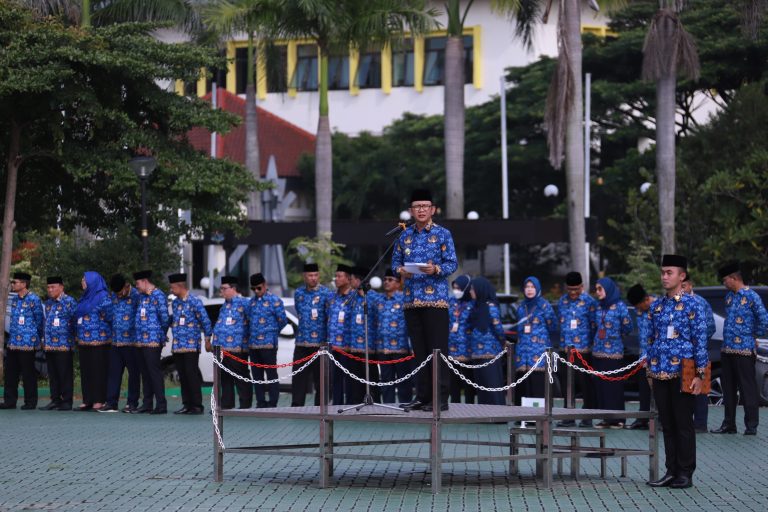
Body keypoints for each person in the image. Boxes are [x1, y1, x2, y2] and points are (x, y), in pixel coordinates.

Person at [392, 189, 458, 413]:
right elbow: (395, 263)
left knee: (437, 350)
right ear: (411, 211)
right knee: (419, 351)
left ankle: (440, 398)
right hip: (412, 301)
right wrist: (401, 270)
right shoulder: (404, 235)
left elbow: (452, 264)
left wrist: (435, 269)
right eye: (416, 207)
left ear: (433, 210)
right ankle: (422, 396)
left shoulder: (443, 234)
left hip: (435, 301)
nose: (421, 210)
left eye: (425, 206)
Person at [646, 254, 708, 490]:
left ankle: (685, 472)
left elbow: (700, 340)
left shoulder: (694, 304)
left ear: (682, 276)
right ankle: (671, 471)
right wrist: (649, 371)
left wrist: (700, 375)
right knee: (668, 425)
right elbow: (650, 339)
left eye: (669, 272)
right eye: (662, 272)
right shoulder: (657, 306)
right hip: (660, 372)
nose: (664, 276)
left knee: (684, 424)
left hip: (684, 371)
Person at [711, 261, 768, 436]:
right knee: (728, 389)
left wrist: (753, 335)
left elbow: (764, 321)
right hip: (727, 349)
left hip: (744, 350)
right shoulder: (729, 297)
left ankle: (751, 425)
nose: (724, 283)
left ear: (734, 278)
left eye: (725, 280)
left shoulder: (752, 297)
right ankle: (729, 424)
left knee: (747, 388)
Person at [556, 271, 597, 427]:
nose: (573, 293)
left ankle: (587, 417)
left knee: (586, 385)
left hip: (583, 351)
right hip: (565, 349)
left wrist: (588, 344)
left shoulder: (589, 302)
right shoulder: (562, 302)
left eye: (576, 289)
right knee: (567, 384)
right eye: (570, 290)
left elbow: (594, 325)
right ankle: (568, 416)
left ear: (582, 286)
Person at [169, 273, 212, 415]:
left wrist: (207, 339)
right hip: (178, 346)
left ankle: (197, 405)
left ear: (180, 286)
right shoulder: (175, 303)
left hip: (191, 346)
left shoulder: (194, 301)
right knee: (183, 375)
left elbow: (205, 321)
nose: (171, 290)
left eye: (172, 287)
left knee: (191, 375)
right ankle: (186, 404)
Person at [0, 272, 44, 410]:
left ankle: (30, 402)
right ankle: (9, 401)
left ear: (24, 284)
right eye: (13, 282)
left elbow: (39, 321)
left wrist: (35, 337)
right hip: (13, 342)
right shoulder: (14, 300)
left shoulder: (34, 299)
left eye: (15, 282)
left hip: (27, 342)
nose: (13, 284)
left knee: (28, 373)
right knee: (10, 373)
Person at [593, 277, 632, 429]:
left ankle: (618, 419)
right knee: (601, 387)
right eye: (596, 289)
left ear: (608, 289)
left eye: (599, 289)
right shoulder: (599, 306)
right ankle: (605, 418)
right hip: (598, 351)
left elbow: (628, 327)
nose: (597, 292)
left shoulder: (620, 306)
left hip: (614, 352)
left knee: (613, 386)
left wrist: (614, 335)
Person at [208, 276, 253, 409]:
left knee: (241, 377)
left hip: (237, 348)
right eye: (221, 288)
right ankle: (226, 405)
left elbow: (252, 323)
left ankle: (245, 405)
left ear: (233, 288)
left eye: (224, 288)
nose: (221, 291)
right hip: (221, 349)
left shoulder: (244, 303)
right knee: (225, 378)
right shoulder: (225, 305)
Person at [291, 263, 331, 407]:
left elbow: (329, 317)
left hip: (319, 343)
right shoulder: (298, 293)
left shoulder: (326, 294)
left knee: (320, 379)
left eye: (315, 275)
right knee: (298, 377)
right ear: (304, 277)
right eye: (310, 275)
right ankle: (296, 406)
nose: (313, 278)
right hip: (301, 342)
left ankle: (320, 407)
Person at [246, 273, 288, 408]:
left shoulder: (275, 301)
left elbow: (283, 321)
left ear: (265, 285)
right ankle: (260, 401)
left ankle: (273, 401)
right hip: (253, 345)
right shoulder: (251, 303)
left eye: (258, 288)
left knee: (271, 374)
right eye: (253, 289)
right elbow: (248, 321)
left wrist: (271, 332)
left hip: (269, 344)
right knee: (256, 375)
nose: (256, 291)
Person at [74, 271, 113, 412]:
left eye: (84, 280)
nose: (82, 282)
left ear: (92, 281)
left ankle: (99, 400)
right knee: (86, 371)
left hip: (99, 342)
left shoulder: (103, 297)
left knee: (99, 371)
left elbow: (110, 316)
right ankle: (87, 400)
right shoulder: (84, 298)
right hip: (84, 341)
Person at [132, 270, 170, 415]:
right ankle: (147, 403)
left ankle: (161, 404)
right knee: (145, 373)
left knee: (154, 372)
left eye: (138, 283)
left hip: (153, 341)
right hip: (140, 341)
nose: (137, 287)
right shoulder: (141, 297)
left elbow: (165, 318)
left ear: (145, 281)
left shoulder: (158, 295)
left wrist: (159, 334)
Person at [514, 276, 556, 403]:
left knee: (538, 386)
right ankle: (523, 419)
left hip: (538, 355)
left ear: (538, 288)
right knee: (523, 386)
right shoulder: (521, 306)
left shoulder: (544, 305)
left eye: (532, 287)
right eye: (527, 287)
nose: (529, 290)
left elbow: (553, 326)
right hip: (523, 354)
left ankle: (538, 419)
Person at [373, 269, 413, 404]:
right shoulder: (379, 300)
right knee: (385, 380)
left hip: (400, 348)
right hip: (383, 347)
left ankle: (405, 406)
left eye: (390, 280)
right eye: (385, 279)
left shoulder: (404, 299)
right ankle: (388, 406)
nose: (386, 282)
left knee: (403, 380)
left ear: (398, 283)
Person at [103, 274, 142, 413]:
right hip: (116, 341)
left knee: (133, 374)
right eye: (116, 293)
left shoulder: (137, 296)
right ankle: (111, 402)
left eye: (120, 292)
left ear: (126, 286)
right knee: (113, 373)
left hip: (132, 343)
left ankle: (132, 403)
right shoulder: (113, 296)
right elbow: (108, 315)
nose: (119, 295)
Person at [681, 274, 715, 433]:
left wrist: (697, 339)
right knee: (682, 388)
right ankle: (683, 422)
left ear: (690, 285)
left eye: (684, 286)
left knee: (701, 389)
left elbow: (711, 326)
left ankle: (700, 424)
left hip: (699, 351)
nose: (682, 290)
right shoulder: (676, 302)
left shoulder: (701, 302)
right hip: (681, 353)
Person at [40, 276, 77, 411]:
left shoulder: (69, 302)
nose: (50, 290)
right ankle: (55, 400)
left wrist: (74, 339)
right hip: (50, 345)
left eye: (53, 287)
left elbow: (75, 321)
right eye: (48, 287)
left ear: (61, 287)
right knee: (53, 375)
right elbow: (45, 323)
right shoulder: (48, 304)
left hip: (64, 345)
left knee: (65, 374)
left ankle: (67, 401)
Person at [467, 277, 506, 405]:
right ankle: (484, 413)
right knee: (481, 384)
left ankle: (497, 413)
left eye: (473, 289)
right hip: (476, 352)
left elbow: (498, 328)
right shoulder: (474, 307)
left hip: (490, 352)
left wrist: (503, 341)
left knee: (492, 383)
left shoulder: (490, 307)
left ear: (480, 290)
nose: (471, 291)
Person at [625, 284, 656, 430]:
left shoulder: (659, 308)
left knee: (658, 391)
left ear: (645, 300)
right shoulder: (641, 312)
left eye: (638, 306)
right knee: (644, 389)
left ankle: (660, 418)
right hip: (643, 357)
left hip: (658, 357)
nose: (637, 309)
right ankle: (643, 418)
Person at [346, 265, 377, 405]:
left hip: (368, 346)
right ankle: (355, 403)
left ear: (359, 281)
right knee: (354, 379)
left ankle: (374, 402)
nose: (350, 281)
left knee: (371, 377)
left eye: (351, 279)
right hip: (353, 347)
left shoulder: (374, 298)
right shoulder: (352, 298)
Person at [326, 264, 355, 405]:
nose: (336, 279)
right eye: (335, 276)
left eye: (339, 276)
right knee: (334, 378)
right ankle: (336, 405)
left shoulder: (354, 297)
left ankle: (349, 405)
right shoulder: (331, 297)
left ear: (348, 279)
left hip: (348, 345)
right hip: (333, 344)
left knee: (349, 378)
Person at [448, 275, 476, 404]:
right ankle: (454, 407)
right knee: (453, 383)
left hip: (468, 349)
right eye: (454, 288)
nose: (456, 291)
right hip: (452, 348)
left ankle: (469, 407)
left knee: (468, 382)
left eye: (459, 288)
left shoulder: (473, 303)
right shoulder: (451, 302)